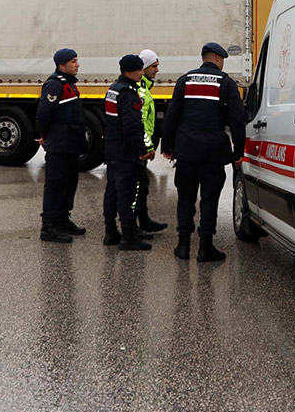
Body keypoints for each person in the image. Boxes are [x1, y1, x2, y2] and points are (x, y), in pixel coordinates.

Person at [161, 42, 244, 262]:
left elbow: (171, 116)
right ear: (217, 58)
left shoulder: (185, 80)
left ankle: (183, 246)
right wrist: (238, 153)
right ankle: (205, 248)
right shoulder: (226, 83)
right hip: (212, 154)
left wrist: (167, 147)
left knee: (185, 199)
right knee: (209, 199)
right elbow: (237, 121)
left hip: (186, 152)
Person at [102, 54, 155, 250]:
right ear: (129, 71)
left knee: (112, 191)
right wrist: (143, 150)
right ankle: (129, 236)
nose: (142, 73)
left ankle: (110, 232)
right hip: (125, 152)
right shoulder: (129, 93)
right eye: (139, 70)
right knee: (128, 194)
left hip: (112, 149)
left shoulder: (114, 89)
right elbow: (132, 126)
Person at [35, 48, 87, 243]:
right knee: (56, 185)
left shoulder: (69, 84)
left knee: (69, 183)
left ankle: (63, 219)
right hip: (59, 144)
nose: (77, 65)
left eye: (76, 60)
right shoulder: (54, 85)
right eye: (73, 61)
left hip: (71, 144)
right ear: (62, 65)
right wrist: (45, 136)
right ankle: (49, 226)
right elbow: (44, 114)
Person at [134, 49, 168, 233]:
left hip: (141, 147)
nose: (157, 70)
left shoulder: (145, 88)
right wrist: (147, 147)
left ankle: (143, 221)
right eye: (154, 66)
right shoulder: (140, 91)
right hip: (139, 148)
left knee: (142, 187)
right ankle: (133, 227)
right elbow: (140, 123)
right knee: (137, 188)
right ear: (144, 68)